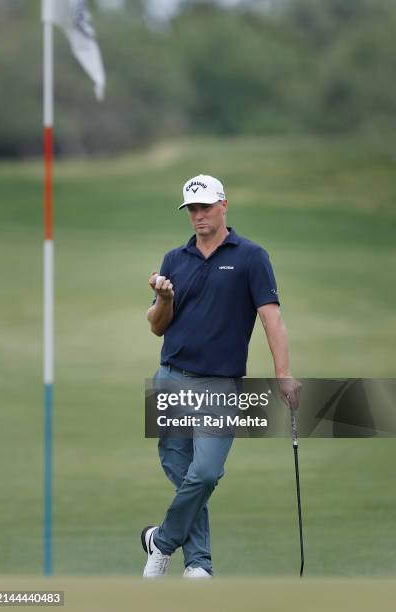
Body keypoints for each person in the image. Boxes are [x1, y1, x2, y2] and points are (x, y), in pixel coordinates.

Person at [142, 174, 301, 579]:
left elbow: (271, 318)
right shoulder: (174, 259)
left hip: (219, 385)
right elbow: (157, 326)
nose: (198, 215)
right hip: (170, 377)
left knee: (206, 472)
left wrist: (283, 375)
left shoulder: (251, 256)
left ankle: (160, 541)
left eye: (205, 207)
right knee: (180, 471)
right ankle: (198, 566)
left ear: (223, 205)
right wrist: (164, 299)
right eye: (192, 209)